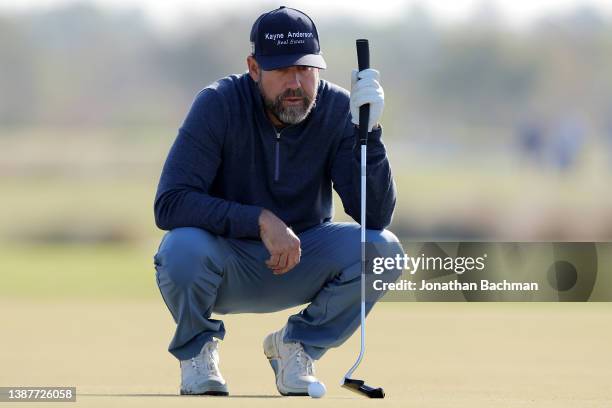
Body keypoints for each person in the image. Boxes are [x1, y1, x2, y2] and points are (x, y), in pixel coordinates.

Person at [153, 6, 403, 396]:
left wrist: (368, 134)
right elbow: (170, 203)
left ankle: (296, 347)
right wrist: (259, 220)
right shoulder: (218, 104)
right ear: (254, 68)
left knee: (384, 251)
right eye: (282, 70)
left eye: (305, 69)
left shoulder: (339, 110)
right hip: (225, 261)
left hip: (304, 258)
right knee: (179, 247)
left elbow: (376, 215)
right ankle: (197, 351)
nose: (296, 82)